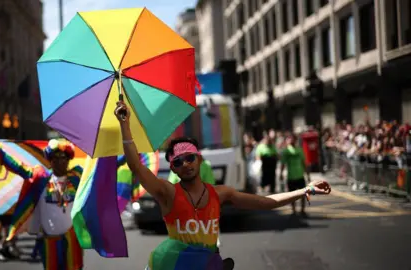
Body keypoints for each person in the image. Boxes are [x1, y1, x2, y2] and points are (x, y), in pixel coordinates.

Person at [114, 101, 332, 270]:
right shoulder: (167, 193)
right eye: (178, 162)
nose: (186, 164)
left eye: (190, 158)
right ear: (173, 169)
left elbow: (266, 202)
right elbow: (136, 166)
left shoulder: (220, 193)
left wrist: (305, 190)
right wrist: (125, 124)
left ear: (200, 159)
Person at [0, 138, 84, 269]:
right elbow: (18, 167)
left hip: (72, 239)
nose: (59, 161)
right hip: (49, 240)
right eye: (55, 157)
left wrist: (117, 159)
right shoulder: (40, 177)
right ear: (50, 160)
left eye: (63, 157)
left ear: (68, 159)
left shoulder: (76, 177)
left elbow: (97, 173)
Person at [279, 134, 310, 217]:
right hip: (291, 177)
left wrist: (308, 175)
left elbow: (304, 163)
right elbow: (283, 163)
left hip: (300, 176)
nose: (291, 141)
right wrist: (281, 174)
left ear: (295, 140)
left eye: (292, 139)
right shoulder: (286, 151)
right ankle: (293, 211)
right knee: (292, 196)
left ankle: (302, 210)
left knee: (303, 194)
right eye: (289, 139)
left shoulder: (300, 150)